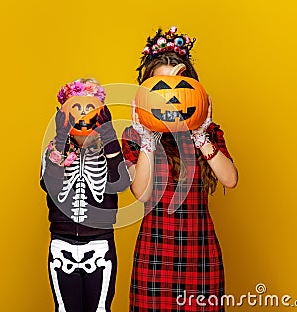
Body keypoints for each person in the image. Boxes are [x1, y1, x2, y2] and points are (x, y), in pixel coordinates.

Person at [121, 27, 238, 311]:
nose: (170, 98)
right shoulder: (133, 137)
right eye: (160, 88)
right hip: (155, 255)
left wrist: (200, 136)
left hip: (201, 253)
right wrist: (148, 138)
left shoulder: (209, 134)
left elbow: (230, 179)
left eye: (180, 86)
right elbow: (141, 192)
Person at [40, 78, 131, 312]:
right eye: (76, 107)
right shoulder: (53, 150)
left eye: (90, 108)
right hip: (61, 245)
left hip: (100, 246)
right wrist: (61, 139)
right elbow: (50, 184)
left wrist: (109, 137)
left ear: (101, 115)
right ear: (64, 115)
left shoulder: (110, 150)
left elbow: (120, 182)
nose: (83, 114)